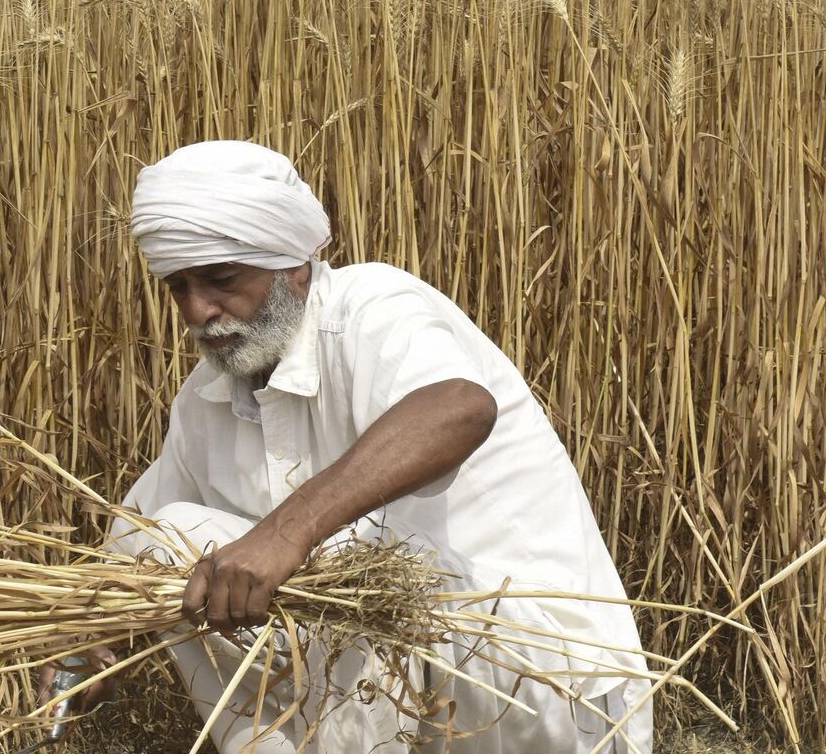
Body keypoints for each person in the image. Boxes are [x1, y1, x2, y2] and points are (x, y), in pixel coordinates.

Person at [38, 140, 652, 752]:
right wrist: (92, 635)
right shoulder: (207, 398)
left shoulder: (371, 307)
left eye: (222, 279)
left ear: (292, 264)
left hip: (543, 688)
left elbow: (460, 408)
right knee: (166, 540)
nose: (199, 311)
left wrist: (285, 535)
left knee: (362, 572)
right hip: (394, 703)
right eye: (178, 287)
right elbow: (140, 537)